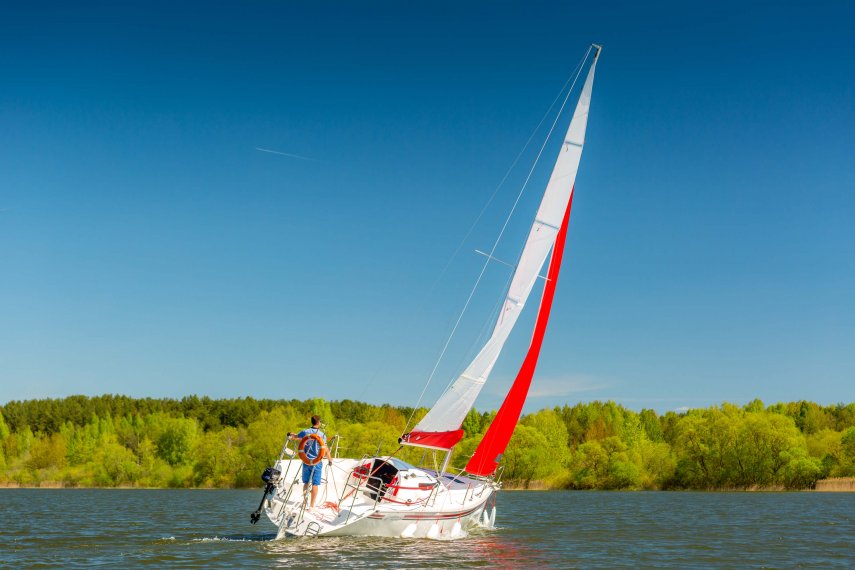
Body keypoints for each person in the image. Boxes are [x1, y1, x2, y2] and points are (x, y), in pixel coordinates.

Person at [288, 415, 326, 508]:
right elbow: (325, 448)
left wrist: (291, 434)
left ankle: (305, 503)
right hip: (317, 462)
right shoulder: (322, 435)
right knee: (315, 484)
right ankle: (312, 505)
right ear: (319, 422)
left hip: (306, 461)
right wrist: (329, 459)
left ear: (312, 422)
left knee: (306, 482)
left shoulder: (305, 432)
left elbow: (296, 437)